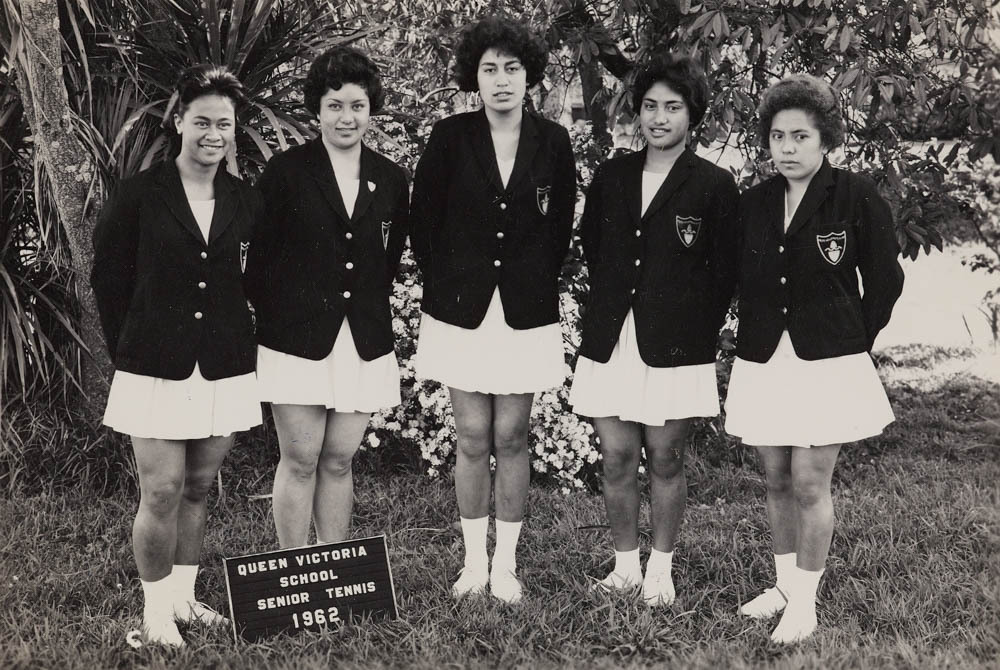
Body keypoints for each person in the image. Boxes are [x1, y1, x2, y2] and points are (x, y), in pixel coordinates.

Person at [725, 74, 904, 643]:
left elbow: (884, 278)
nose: (788, 148)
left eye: (800, 136)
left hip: (828, 360)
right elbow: (735, 278)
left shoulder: (854, 195)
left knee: (809, 482)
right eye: (778, 136)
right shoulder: (753, 202)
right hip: (763, 358)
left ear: (824, 138)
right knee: (776, 478)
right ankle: (782, 586)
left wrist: (853, 337)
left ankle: (804, 603)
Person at [91, 65, 260, 646]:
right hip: (153, 364)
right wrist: (131, 346)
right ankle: (156, 612)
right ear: (179, 121)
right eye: (202, 121)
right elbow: (108, 275)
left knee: (198, 486)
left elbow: (251, 278)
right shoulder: (143, 193)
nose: (213, 134)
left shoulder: (244, 199)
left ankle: (185, 598)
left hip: (222, 363)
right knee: (160, 488)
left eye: (225, 124)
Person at [409, 15, 576, 603]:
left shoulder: (553, 141)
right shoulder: (450, 137)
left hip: (524, 312)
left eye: (512, 68)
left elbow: (559, 229)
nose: (501, 80)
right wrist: (454, 285)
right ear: (472, 76)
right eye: (489, 69)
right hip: (462, 312)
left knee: (511, 436)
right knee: (472, 437)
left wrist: (526, 280)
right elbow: (422, 223)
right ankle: (473, 562)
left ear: (529, 75)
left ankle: (506, 565)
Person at [569, 53, 739, 606]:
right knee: (616, 457)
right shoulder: (613, 175)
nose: (659, 118)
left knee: (666, 459)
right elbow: (594, 245)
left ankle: (660, 567)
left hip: (675, 345)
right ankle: (624, 565)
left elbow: (723, 273)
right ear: (637, 113)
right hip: (612, 338)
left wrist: (691, 329)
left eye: (672, 107)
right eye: (649, 107)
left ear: (693, 116)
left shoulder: (713, 184)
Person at [245, 47, 408, 549]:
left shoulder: (391, 178)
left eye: (357, 105)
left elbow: (390, 256)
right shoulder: (286, 172)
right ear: (318, 109)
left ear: (370, 110)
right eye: (335, 105)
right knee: (300, 459)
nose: (346, 117)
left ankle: (332, 565)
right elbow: (257, 260)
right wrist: (284, 314)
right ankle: (297, 567)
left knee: (338, 460)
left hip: (361, 338)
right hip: (295, 340)